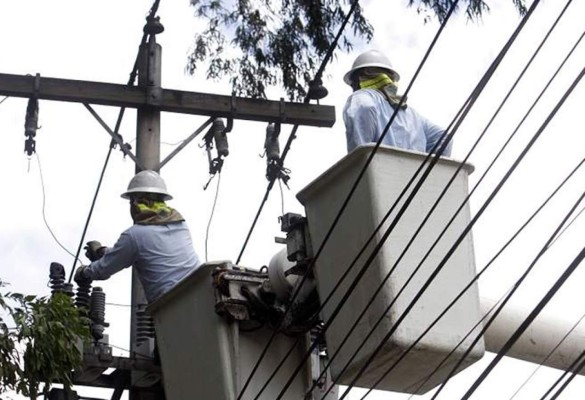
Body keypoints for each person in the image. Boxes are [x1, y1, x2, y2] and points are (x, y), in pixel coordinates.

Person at [74, 170, 202, 303]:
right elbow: (146, 248)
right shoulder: (181, 226)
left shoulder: (134, 235)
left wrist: (84, 272)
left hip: (170, 307)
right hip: (200, 295)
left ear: (135, 203)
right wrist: (102, 251)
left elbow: (104, 269)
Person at [342, 49, 452, 156]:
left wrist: (359, 163)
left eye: (353, 82)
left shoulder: (363, 96)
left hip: (378, 172)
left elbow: (364, 107)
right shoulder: (411, 113)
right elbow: (443, 137)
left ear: (360, 77)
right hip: (415, 174)